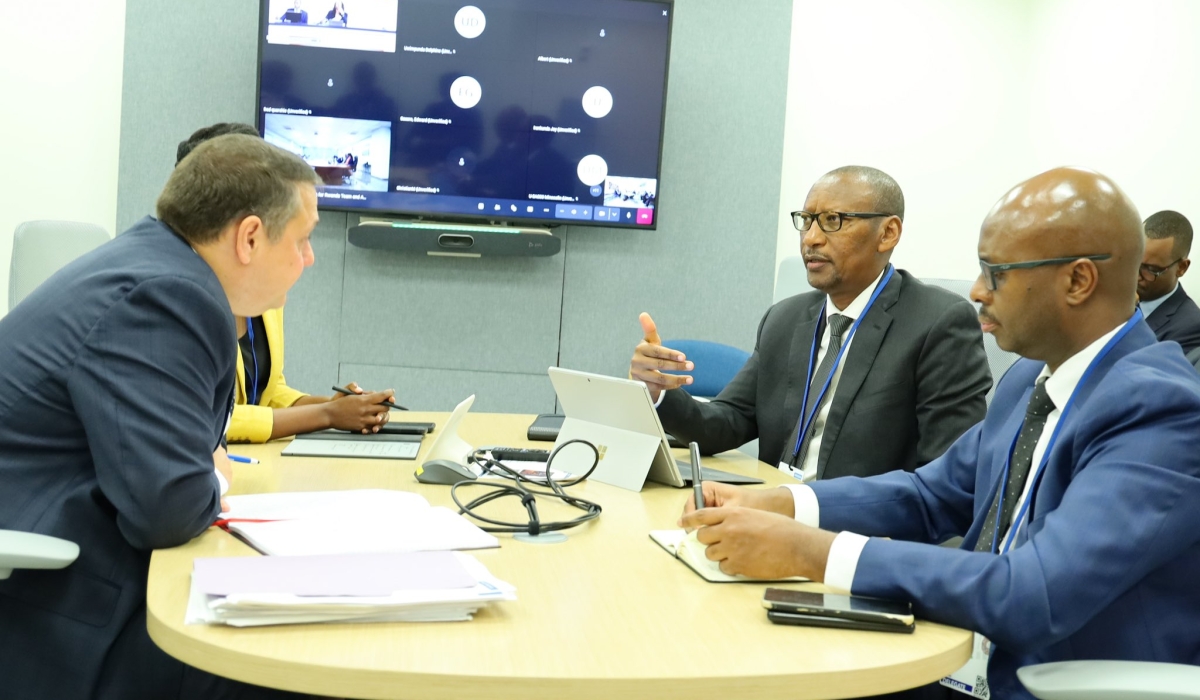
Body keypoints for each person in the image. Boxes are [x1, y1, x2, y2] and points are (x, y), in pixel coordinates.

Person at [680, 167, 1200, 700]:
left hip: (1040, 682)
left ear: (1078, 281)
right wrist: (784, 504)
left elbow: (1034, 593)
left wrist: (813, 552)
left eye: (995, 273)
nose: (976, 291)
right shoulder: (1033, 376)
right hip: (959, 655)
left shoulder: (1159, 407)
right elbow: (930, 495)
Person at [0, 134, 325, 698]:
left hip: (69, 564)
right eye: (303, 239)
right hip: (55, 610)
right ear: (249, 236)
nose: (309, 258)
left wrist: (203, 466)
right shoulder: (169, 293)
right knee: (301, 669)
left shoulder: (153, 264)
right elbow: (168, 509)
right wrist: (213, 472)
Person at [631, 166, 992, 481]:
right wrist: (659, 392)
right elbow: (726, 423)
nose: (811, 238)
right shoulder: (785, 319)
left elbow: (946, 477)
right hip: (770, 519)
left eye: (833, 221)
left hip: (855, 534)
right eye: (806, 220)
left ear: (888, 233)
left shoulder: (938, 323)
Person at [176, 123, 393, 442]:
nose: (308, 257)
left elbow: (268, 390)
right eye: (301, 238)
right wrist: (325, 415)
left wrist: (336, 406)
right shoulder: (174, 301)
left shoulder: (259, 286)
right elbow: (203, 416)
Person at [1137, 210, 1200, 354]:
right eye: (1134, 261)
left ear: (1181, 268)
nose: (1136, 275)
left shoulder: (1192, 328)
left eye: (1151, 269)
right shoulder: (1115, 297)